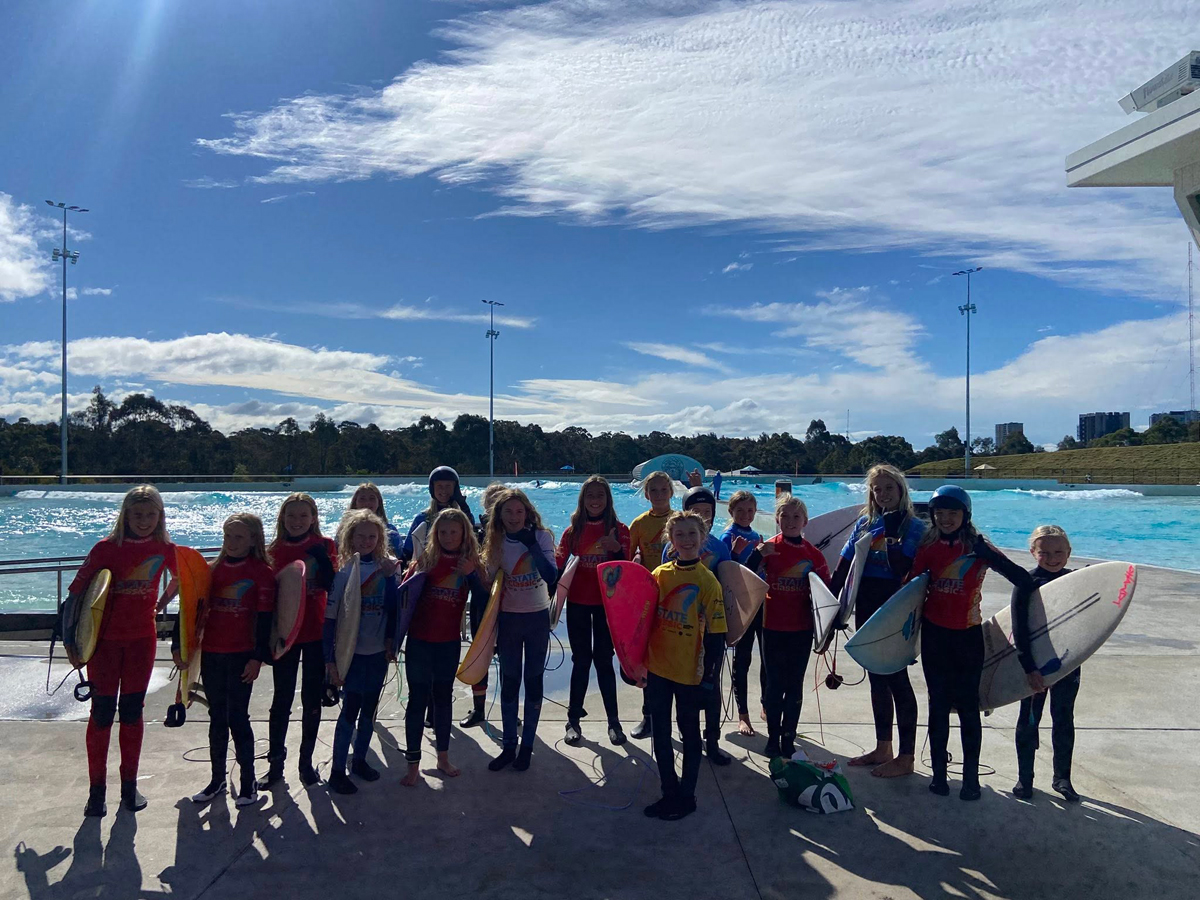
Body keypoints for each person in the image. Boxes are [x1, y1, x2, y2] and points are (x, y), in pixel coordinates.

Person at [909, 485, 1035, 801]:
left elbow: (1023, 579)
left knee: (968, 708)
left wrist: (988, 555)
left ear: (965, 515)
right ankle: (939, 776)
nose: (946, 518)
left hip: (968, 637)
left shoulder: (978, 547)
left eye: (953, 513)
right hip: (935, 637)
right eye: (940, 513)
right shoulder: (927, 548)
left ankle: (971, 779)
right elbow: (908, 592)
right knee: (938, 706)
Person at [65, 485, 177, 817]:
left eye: (150, 514)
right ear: (125, 515)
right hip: (104, 645)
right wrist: (73, 644)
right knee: (101, 713)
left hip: (142, 641)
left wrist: (161, 603)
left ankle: (129, 786)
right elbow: (75, 596)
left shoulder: (165, 548)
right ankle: (96, 792)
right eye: (137, 514)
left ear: (160, 516)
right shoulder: (106, 548)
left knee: (131, 712)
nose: (144, 521)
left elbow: (186, 578)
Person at [829, 464, 925, 777]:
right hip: (867, 604)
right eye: (877, 489)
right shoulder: (865, 523)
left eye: (889, 488)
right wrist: (830, 607)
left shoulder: (914, 527)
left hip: (895, 608)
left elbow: (902, 569)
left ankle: (906, 757)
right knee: (876, 676)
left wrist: (892, 536)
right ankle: (883, 747)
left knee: (897, 678)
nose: (883, 494)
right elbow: (844, 567)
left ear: (901, 490)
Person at [179, 513, 275, 807]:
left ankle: (248, 782)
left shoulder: (262, 573)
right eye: (227, 536)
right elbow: (191, 612)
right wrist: (182, 649)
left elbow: (265, 620)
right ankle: (217, 779)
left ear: (253, 540)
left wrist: (257, 658)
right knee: (217, 717)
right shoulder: (212, 571)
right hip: (212, 653)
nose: (231, 542)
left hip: (241, 655)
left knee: (238, 717)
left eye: (239, 537)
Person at [643, 510, 727, 821]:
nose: (686, 540)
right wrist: (634, 661)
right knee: (661, 733)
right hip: (658, 667)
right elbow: (642, 620)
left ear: (703, 538)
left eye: (692, 534)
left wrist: (710, 678)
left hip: (689, 672)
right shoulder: (659, 574)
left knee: (689, 733)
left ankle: (687, 796)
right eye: (679, 535)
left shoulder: (708, 582)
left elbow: (717, 636)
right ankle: (669, 791)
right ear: (671, 539)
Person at [401, 508, 488, 787]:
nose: (448, 536)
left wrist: (471, 574)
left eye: (454, 531)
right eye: (442, 532)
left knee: (442, 699)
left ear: (464, 534)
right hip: (419, 642)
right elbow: (404, 600)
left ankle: (443, 758)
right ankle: (413, 765)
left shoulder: (470, 564)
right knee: (417, 700)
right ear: (435, 534)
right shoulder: (425, 561)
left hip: (448, 643)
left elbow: (486, 599)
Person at [259, 493, 338, 789]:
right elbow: (267, 597)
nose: (297, 521)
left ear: (313, 518)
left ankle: (306, 763)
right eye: (291, 515)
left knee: (311, 699)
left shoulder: (325, 545)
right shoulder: (273, 550)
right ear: (282, 518)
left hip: (316, 632)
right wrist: (264, 641)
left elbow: (333, 586)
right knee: (281, 699)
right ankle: (275, 766)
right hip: (285, 634)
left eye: (303, 515)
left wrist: (323, 561)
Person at [323, 509, 399, 795]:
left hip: (377, 654)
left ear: (380, 539)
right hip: (351, 656)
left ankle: (360, 761)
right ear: (349, 537)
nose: (366, 541)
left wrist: (391, 642)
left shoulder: (387, 568)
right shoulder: (344, 572)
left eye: (372, 536)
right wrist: (330, 661)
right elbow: (330, 621)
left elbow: (394, 608)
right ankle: (336, 771)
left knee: (369, 711)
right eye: (360, 536)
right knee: (349, 711)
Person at [481, 488, 557, 772]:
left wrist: (531, 545)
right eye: (508, 511)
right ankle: (509, 746)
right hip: (509, 620)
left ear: (528, 513)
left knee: (533, 681)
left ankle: (527, 747)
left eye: (519, 511)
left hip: (536, 618)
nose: (514, 516)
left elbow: (551, 575)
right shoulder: (496, 540)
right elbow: (487, 584)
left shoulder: (541, 537)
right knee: (510, 681)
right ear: (499, 515)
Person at [661, 486, 733, 765]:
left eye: (707, 512)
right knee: (681, 686)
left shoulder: (720, 547)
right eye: (696, 511)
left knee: (711, 686)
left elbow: (731, 585)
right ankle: (686, 732)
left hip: (711, 628)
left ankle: (712, 741)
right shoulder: (672, 549)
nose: (703, 516)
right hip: (681, 629)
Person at [556, 476, 630, 746]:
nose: (595, 500)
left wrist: (617, 550)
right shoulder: (572, 531)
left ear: (608, 499)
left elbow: (626, 573)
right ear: (582, 500)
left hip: (606, 606)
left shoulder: (620, 530)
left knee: (604, 660)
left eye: (600, 495)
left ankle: (614, 722)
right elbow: (558, 567)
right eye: (590, 495)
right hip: (577, 603)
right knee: (581, 661)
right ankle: (573, 720)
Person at [755, 494, 828, 758]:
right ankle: (773, 737)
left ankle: (789, 737)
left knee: (794, 685)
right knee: (774, 685)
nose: (790, 521)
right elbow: (745, 578)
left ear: (805, 521)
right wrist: (755, 555)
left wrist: (826, 633)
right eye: (784, 515)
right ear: (777, 519)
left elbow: (826, 597)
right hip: (772, 627)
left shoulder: (813, 555)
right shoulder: (768, 548)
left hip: (801, 629)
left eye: (796, 516)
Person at [1012, 525, 1080, 802]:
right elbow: (1019, 630)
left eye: (1058, 552)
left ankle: (1062, 778)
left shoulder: (1076, 581)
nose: (1052, 558)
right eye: (1045, 553)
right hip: (1034, 664)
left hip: (1067, 662)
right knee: (1029, 719)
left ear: (1069, 552)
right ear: (1033, 552)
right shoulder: (1026, 583)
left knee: (1063, 718)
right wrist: (1029, 668)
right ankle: (1024, 778)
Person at [626, 470, 675, 740]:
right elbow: (628, 563)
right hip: (648, 600)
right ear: (646, 494)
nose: (658, 495)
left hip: (675, 597)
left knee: (674, 658)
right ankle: (649, 716)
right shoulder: (639, 524)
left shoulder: (679, 520)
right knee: (649, 659)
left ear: (671, 492)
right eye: (653, 490)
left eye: (663, 490)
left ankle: (676, 718)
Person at [460, 482, 508, 729]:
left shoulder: (517, 532)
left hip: (509, 604)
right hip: (482, 602)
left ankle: (510, 708)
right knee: (480, 655)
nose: (497, 504)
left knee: (509, 659)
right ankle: (479, 709)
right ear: (486, 505)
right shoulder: (476, 534)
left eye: (502, 499)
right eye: (492, 500)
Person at [721, 490, 767, 736]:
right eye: (740, 510)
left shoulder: (757, 536)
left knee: (767, 658)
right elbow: (725, 570)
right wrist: (736, 552)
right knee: (743, 659)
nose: (745, 515)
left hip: (761, 603)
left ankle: (765, 705)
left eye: (750, 510)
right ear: (731, 512)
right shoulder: (727, 536)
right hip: (742, 605)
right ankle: (743, 715)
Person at [402, 466, 476, 565]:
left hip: (458, 566)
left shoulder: (463, 517)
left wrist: (462, 504)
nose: (444, 490)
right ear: (432, 488)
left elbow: (472, 539)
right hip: (430, 566)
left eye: (448, 486)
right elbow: (408, 550)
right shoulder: (423, 518)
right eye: (439, 486)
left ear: (455, 488)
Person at [346, 482, 402, 558]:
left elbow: (399, 558)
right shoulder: (344, 531)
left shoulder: (391, 533)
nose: (367, 503)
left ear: (379, 502)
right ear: (355, 502)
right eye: (362, 499)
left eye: (372, 499)